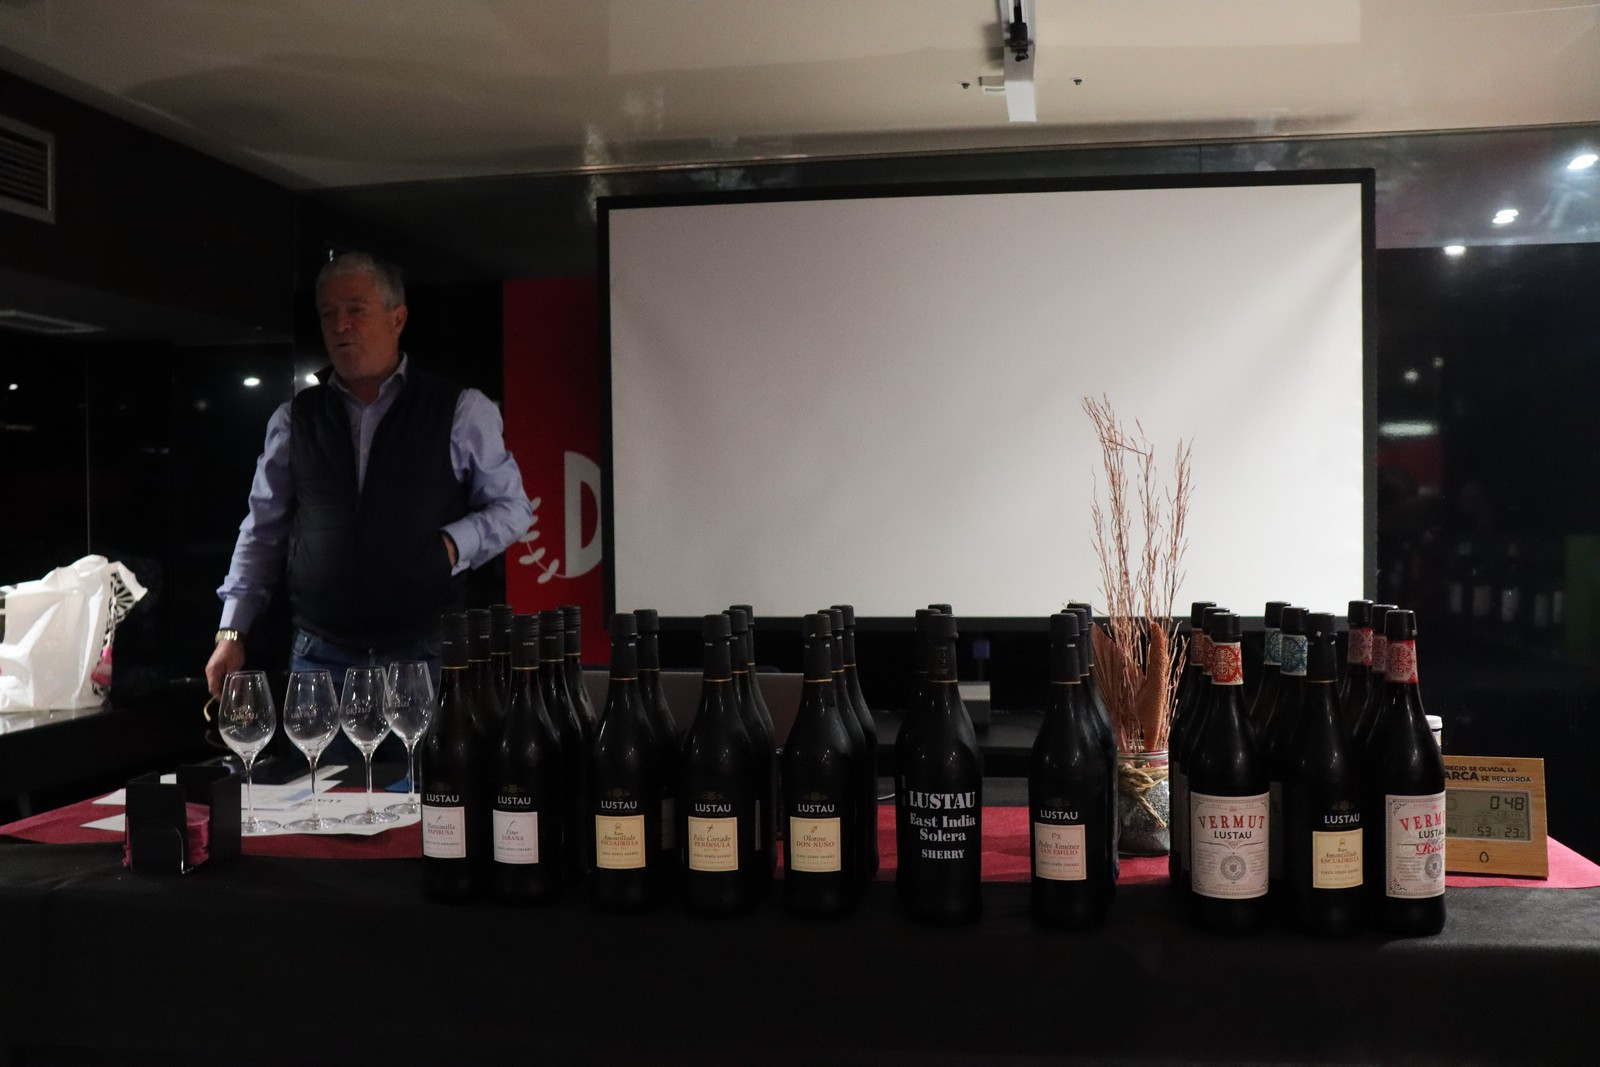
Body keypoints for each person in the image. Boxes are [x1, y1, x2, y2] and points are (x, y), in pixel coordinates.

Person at [205, 253, 532, 762]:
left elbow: (512, 508)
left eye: (356, 309)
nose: (340, 325)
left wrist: (450, 546)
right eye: (328, 313)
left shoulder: (459, 409)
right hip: (320, 653)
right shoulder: (295, 418)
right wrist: (232, 631)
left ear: (397, 318)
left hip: (423, 650)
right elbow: (262, 530)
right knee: (322, 797)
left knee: (427, 798)